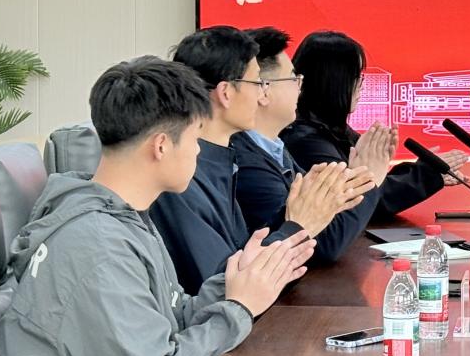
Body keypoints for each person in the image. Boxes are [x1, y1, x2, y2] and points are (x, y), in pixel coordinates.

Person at [0, 57, 313, 356]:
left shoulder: (120, 216)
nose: (198, 152)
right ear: (161, 145)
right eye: (194, 139)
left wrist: (238, 281)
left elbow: (171, 317)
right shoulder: (97, 246)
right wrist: (239, 309)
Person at [150, 26, 358, 293]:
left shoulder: (222, 161)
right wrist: (297, 226)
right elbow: (222, 288)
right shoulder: (181, 177)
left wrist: (303, 209)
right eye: (257, 83)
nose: (262, 95)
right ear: (226, 93)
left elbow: (241, 253)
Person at [232, 26, 389, 264]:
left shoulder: (275, 149)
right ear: (263, 90)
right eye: (293, 78)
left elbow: (326, 210)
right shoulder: (249, 165)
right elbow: (324, 243)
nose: (300, 87)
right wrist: (369, 180)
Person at [281, 31, 468, 219]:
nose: (361, 85)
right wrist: (426, 174)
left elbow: (373, 183)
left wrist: (425, 170)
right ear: (335, 81)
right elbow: (362, 200)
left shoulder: (329, 126)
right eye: (356, 77)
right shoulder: (305, 140)